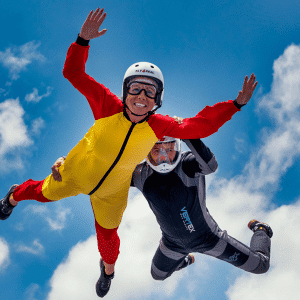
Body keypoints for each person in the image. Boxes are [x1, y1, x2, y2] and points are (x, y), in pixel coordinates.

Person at [0, 7, 257, 298]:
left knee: (109, 244)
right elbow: (73, 73)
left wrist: (235, 105)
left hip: (112, 190)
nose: (141, 97)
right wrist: (82, 41)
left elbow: (201, 125)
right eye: (136, 89)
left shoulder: (161, 125)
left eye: (150, 92)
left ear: (157, 99)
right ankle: (10, 196)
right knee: (35, 193)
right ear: (125, 92)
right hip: (76, 173)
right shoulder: (106, 104)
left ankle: (107, 272)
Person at [51, 136, 272, 294]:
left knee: (260, 266)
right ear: (147, 153)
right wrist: (67, 162)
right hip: (172, 244)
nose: (164, 157)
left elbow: (211, 165)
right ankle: (184, 260)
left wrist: (187, 132)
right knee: (157, 275)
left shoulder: (186, 164)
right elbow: (100, 173)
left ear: (178, 147)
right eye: (157, 150)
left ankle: (262, 230)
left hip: (210, 239)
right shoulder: (139, 173)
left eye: (169, 149)